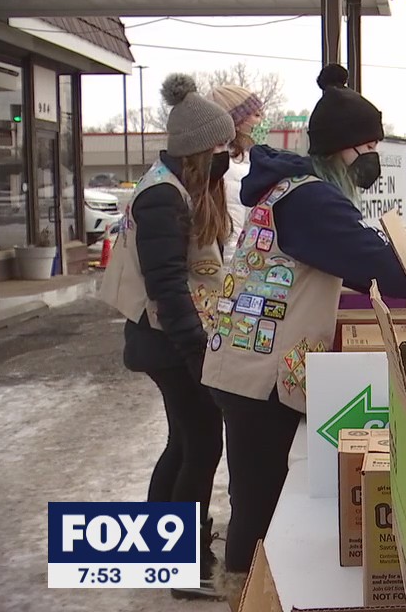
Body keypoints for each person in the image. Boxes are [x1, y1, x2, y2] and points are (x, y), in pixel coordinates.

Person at [202, 64, 406, 602]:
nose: (372, 156)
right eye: (367, 145)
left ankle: (248, 589)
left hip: (243, 362)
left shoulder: (293, 190)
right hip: (257, 373)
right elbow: (374, 264)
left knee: (256, 493)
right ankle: (246, 595)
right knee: (259, 500)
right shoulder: (312, 199)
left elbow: (337, 262)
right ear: (343, 148)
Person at [98, 73, 234, 601]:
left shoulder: (170, 186)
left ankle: (163, 553)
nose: (225, 155)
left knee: (185, 441)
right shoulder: (162, 198)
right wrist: (198, 352)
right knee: (201, 442)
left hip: (164, 340)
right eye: (219, 146)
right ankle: (187, 567)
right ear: (198, 148)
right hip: (169, 342)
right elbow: (167, 289)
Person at [207, 84, 265, 262]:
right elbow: (232, 231)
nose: (262, 121)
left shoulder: (243, 160)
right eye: (256, 115)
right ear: (237, 122)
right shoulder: (230, 169)